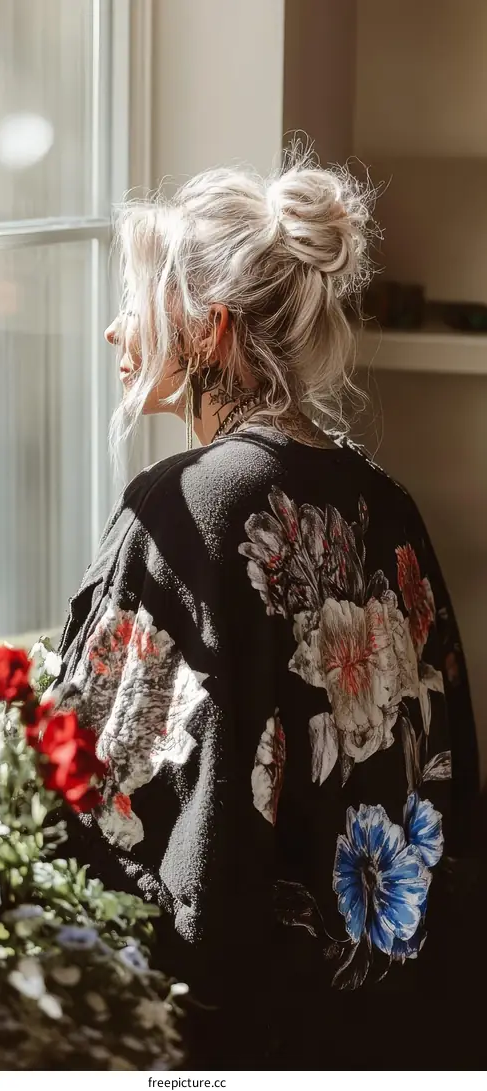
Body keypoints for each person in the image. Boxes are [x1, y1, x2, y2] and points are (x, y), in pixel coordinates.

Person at [54, 148, 480, 1069]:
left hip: (245, 1032)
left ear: (208, 331)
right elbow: (448, 768)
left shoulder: (184, 509)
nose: (113, 331)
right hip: (391, 1020)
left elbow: (92, 782)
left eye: (136, 301)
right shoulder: (386, 501)